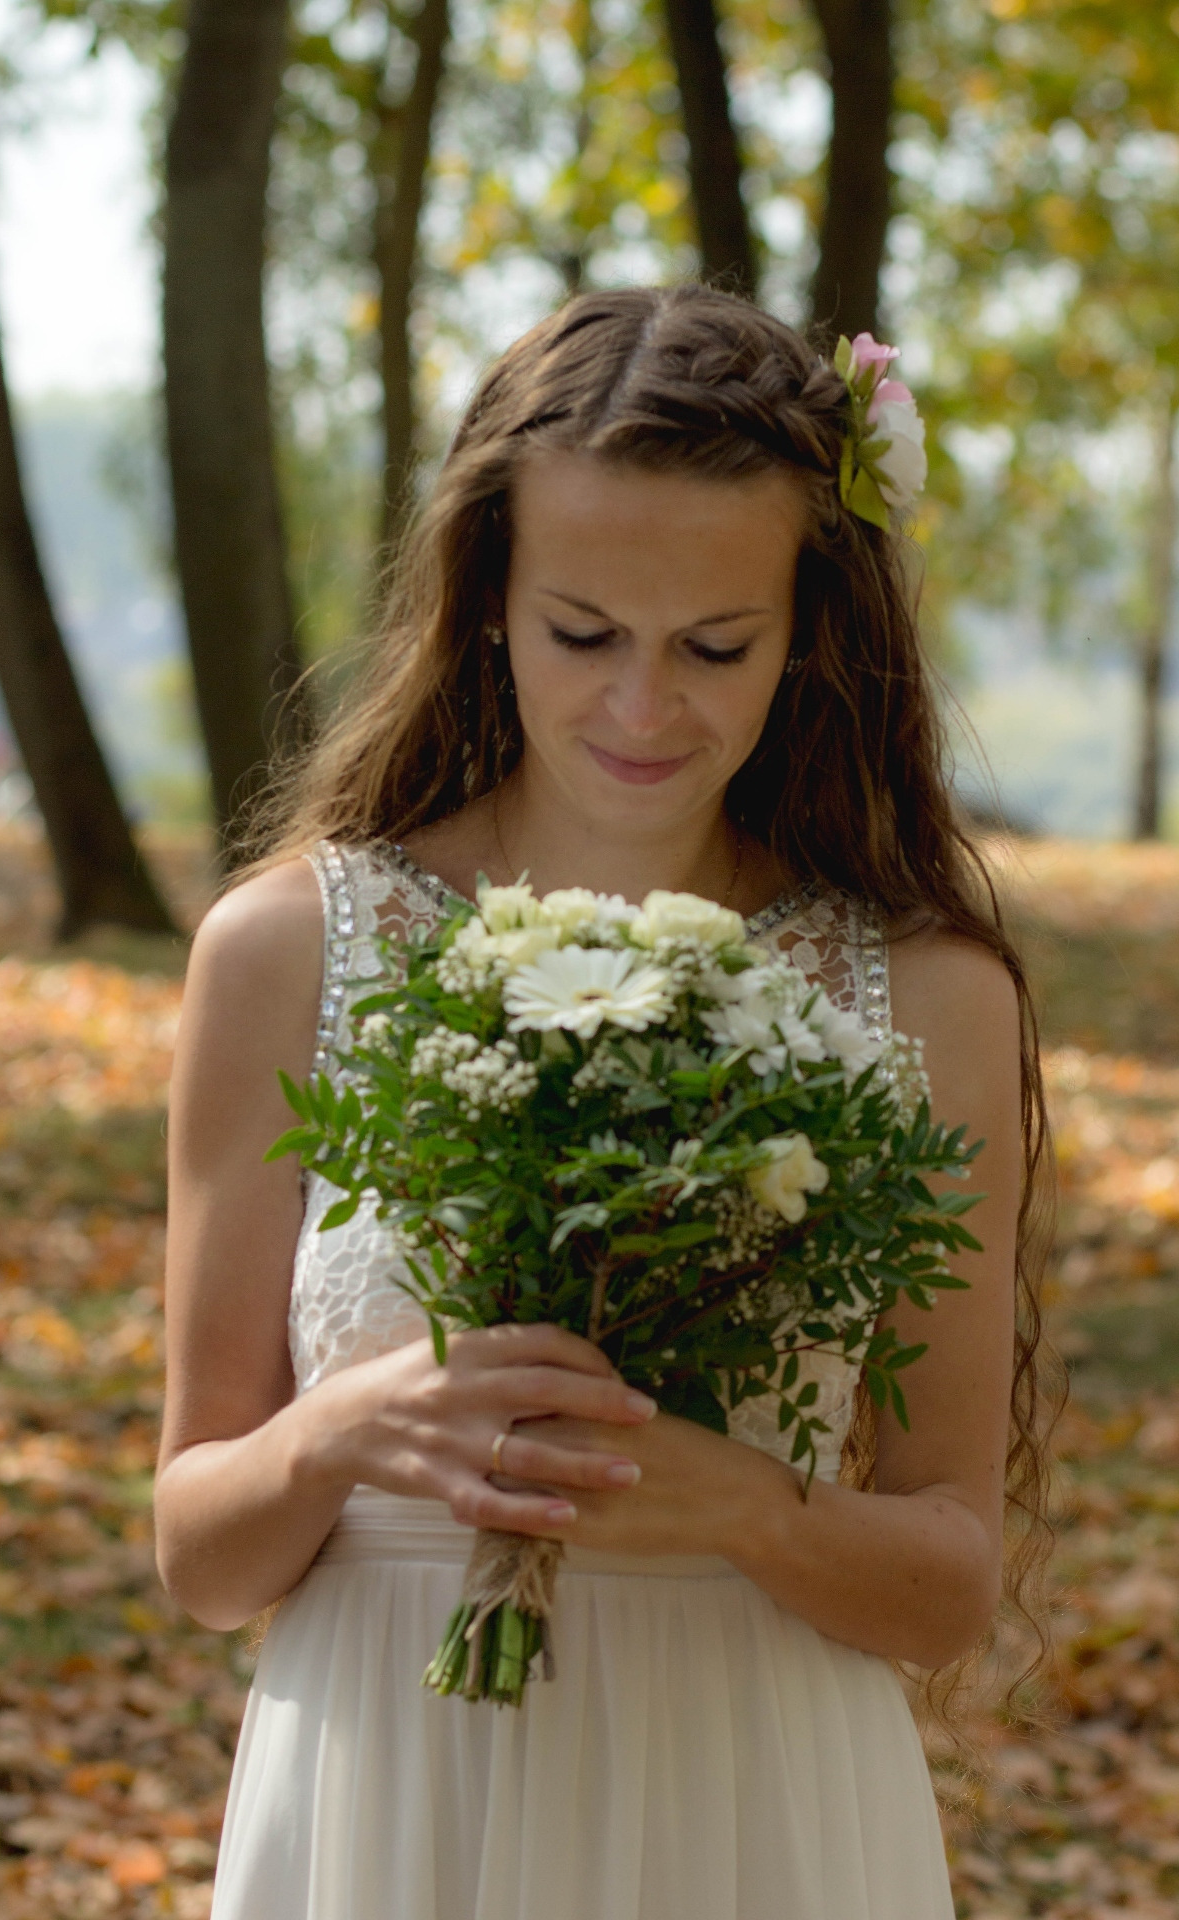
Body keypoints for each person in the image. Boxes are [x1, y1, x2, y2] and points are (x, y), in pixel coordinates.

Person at [157, 286, 1054, 1920]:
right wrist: (349, 1431)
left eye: (716, 647)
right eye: (586, 633)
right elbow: (200, 1553)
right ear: (486, 602)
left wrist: (751, 1508)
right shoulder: (289, 949)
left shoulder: (924, 992)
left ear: (807, 634)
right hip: (387, 1801)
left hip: (758, 1809)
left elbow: (948, 1587)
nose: (645, 709)